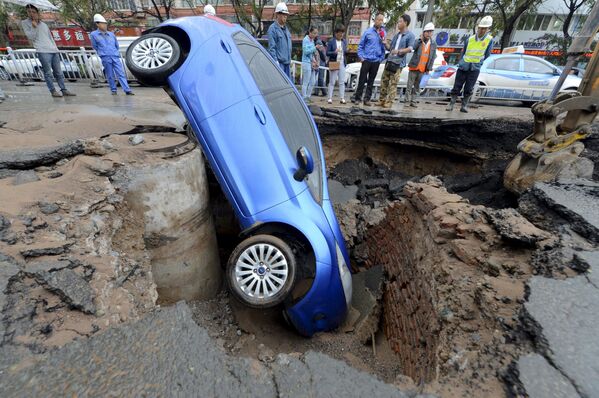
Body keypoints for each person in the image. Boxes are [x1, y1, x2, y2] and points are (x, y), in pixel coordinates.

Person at [21, 4, 76, 98]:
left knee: (58, 72)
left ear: (37, 13)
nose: (31, 14)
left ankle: (64, 89)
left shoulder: (43, 24)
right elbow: (31, 37)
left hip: (53, 50)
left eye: (33, 12)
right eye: (29, 12)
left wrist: (56, 49)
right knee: (48, 73)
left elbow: (50, 38)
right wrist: (34, 27)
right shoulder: (25, 23)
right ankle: (53, 91)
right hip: (42, 51)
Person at [446, 15, 493, 113]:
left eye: (484, 28)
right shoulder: (470, 39)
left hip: (474, 68)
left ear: (488, 29)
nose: (482, 30)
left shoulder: (489, 40)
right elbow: (463, 52)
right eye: (481, 28)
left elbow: (487, 54)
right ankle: (451, 104)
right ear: (478, 28)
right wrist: (461, 62)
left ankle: (464, 105)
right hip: (464, 66)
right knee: (457, 86)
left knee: (469, 88)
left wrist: (479, 62)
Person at [90, 14, 134, 96]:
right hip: (105, 56)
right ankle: (113, 90)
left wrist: (114, 52)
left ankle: (127, 90)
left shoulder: (111, 34)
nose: (104, 25)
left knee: (120, 73)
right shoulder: (93, 34)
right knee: (110, 75)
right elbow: (95, 46)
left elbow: (116, 45)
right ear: (97, 24)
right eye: (102, 23)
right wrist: (102, 53)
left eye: (105, 23)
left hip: (114, 55)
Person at [377, 14, 415, 108]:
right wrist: (386, 44)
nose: (398, 23)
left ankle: (389, 101)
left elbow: (410, 48)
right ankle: (382, 100)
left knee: (393, 83)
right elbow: (391, 49)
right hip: (390, 60)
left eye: (400, 21)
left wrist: (399, 51)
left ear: (405, 23)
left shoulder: (410, 35)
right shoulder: (396, 35)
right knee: (384, 80)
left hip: (398, 63)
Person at [351, 14, 386, 106]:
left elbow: (384, 48)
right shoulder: (368, 32)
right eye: (379, 19)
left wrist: (381, 58)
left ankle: (367, 99)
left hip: (376, 61)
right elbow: (361, 46)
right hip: (366, 59)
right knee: (362, 80)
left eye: (382, 20)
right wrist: (362, 57)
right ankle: (357, 98)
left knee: (371, 81)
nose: (380, 22)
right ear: (375, 20)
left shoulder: (383, 33)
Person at [405, 23, 436, 108]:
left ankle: (413, 101)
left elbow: (432, 57)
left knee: (417, 86)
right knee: (409, 85)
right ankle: (407, 101)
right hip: (414, 67)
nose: (429, 34)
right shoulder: (418, 41)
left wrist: (429, 68)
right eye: (427, 32)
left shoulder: (433, 44)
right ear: (424, 32)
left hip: (422, 69)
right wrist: (419, 39)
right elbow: (413, 47)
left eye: (430, 32)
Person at [267, 3, 292, 78]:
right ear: (277, 14)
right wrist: (275, 61)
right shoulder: (272, 29)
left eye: (286, 14)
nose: (285, 16)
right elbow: (272, 47)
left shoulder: (286, 29)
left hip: (287, 63)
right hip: (279, 63)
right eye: (283, 14)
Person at [326, 25, 348, 104]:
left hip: (342, 62)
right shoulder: (331, 41)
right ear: (336, 33)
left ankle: (342, 98)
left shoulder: (344, 41)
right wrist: (334, 52)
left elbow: (345, 52)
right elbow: (327, 53)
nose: (341, 35)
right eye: (339, 33)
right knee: (332, 81)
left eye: (342, 33)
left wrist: (347, 50)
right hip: (334, 62)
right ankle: (329, 98)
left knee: (342, 81)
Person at [301, 27, 323, 102]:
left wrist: (315, 61)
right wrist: (315, 47)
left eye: (316, 33)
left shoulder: (312, 40)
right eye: (314, 33)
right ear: (309, 32)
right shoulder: (305, 40)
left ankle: (308, 96)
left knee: (313, 81)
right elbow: (306, 51)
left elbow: (311, 54)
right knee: (306, 81)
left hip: (312, 63)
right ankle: (304, 97)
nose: (315, 35)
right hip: (306, 62)